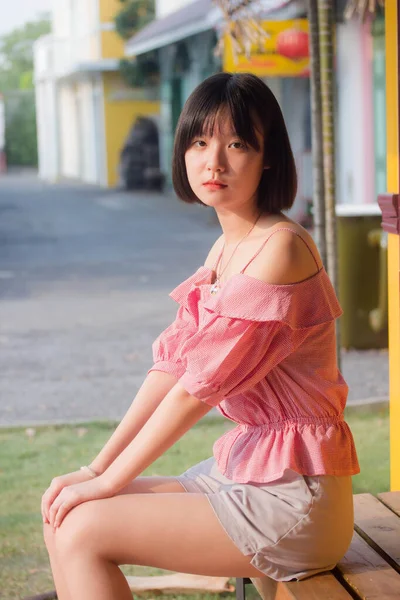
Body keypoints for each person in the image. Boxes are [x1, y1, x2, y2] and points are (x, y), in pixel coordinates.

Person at [41, 72, 360, 599]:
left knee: (83, 527)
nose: (214, 162)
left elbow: (195, 390)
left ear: (269, 157)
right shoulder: (226, 249)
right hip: (247, 473)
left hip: (294, 500)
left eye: (237, 143)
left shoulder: (279, 249)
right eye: (199, 141)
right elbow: (171, 368)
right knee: (66, 514)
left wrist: (110, 482)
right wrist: (94, 469)